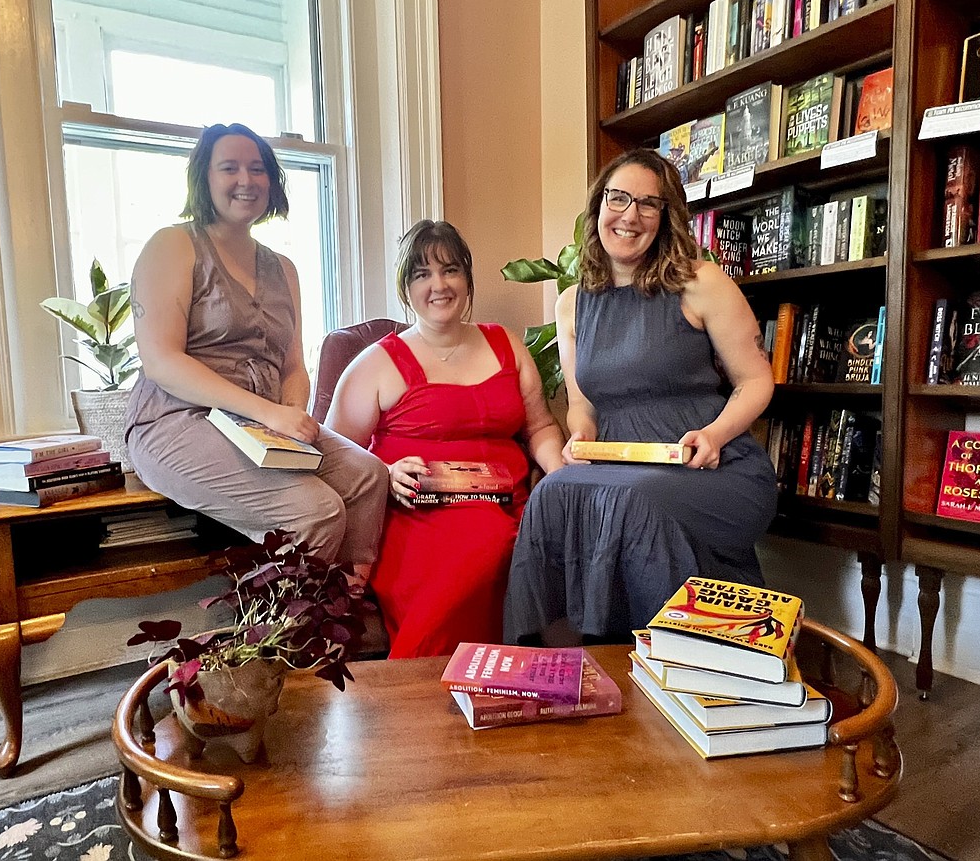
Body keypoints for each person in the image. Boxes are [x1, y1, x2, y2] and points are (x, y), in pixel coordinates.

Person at [503, 148, 778, 645]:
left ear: (666, 216)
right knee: (551, 493)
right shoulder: (572, 304)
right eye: (618, 198)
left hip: (710, 465)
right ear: (598, 207)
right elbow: (584, 403)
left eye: (648, 204)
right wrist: (581, 434)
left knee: (639, 500)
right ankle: (563, 663)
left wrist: (715, 435)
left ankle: (680, 662)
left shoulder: (700, 283)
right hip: (619, 462)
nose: (630, 215)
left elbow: (756, 381)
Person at [124, 123, 387, 565]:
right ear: (204, 179)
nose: (246, 180)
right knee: (317, 512)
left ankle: (348, 600)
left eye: (258, 169)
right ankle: (289, 630)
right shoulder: (173, 245)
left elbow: (292, 366)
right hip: (178, 421)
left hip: (261, 428)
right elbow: (162, 362)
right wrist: (268, 414)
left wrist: (292, 420)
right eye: (229, 168)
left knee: (368, 476)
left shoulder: (283, 268)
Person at [326, 220, 565, 657]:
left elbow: (541, 427)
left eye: (450, 270)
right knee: (489, 546)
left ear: (467, 279)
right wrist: (384, 471)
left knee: (542, 539)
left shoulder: (506, 343)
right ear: (406, 287)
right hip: (419, 517)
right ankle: (422, 692)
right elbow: (332, 453)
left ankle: (518, 690)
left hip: (511, 503)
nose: (439, 285)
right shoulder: (376, 363)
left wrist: (560, 472)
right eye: (422, 274)